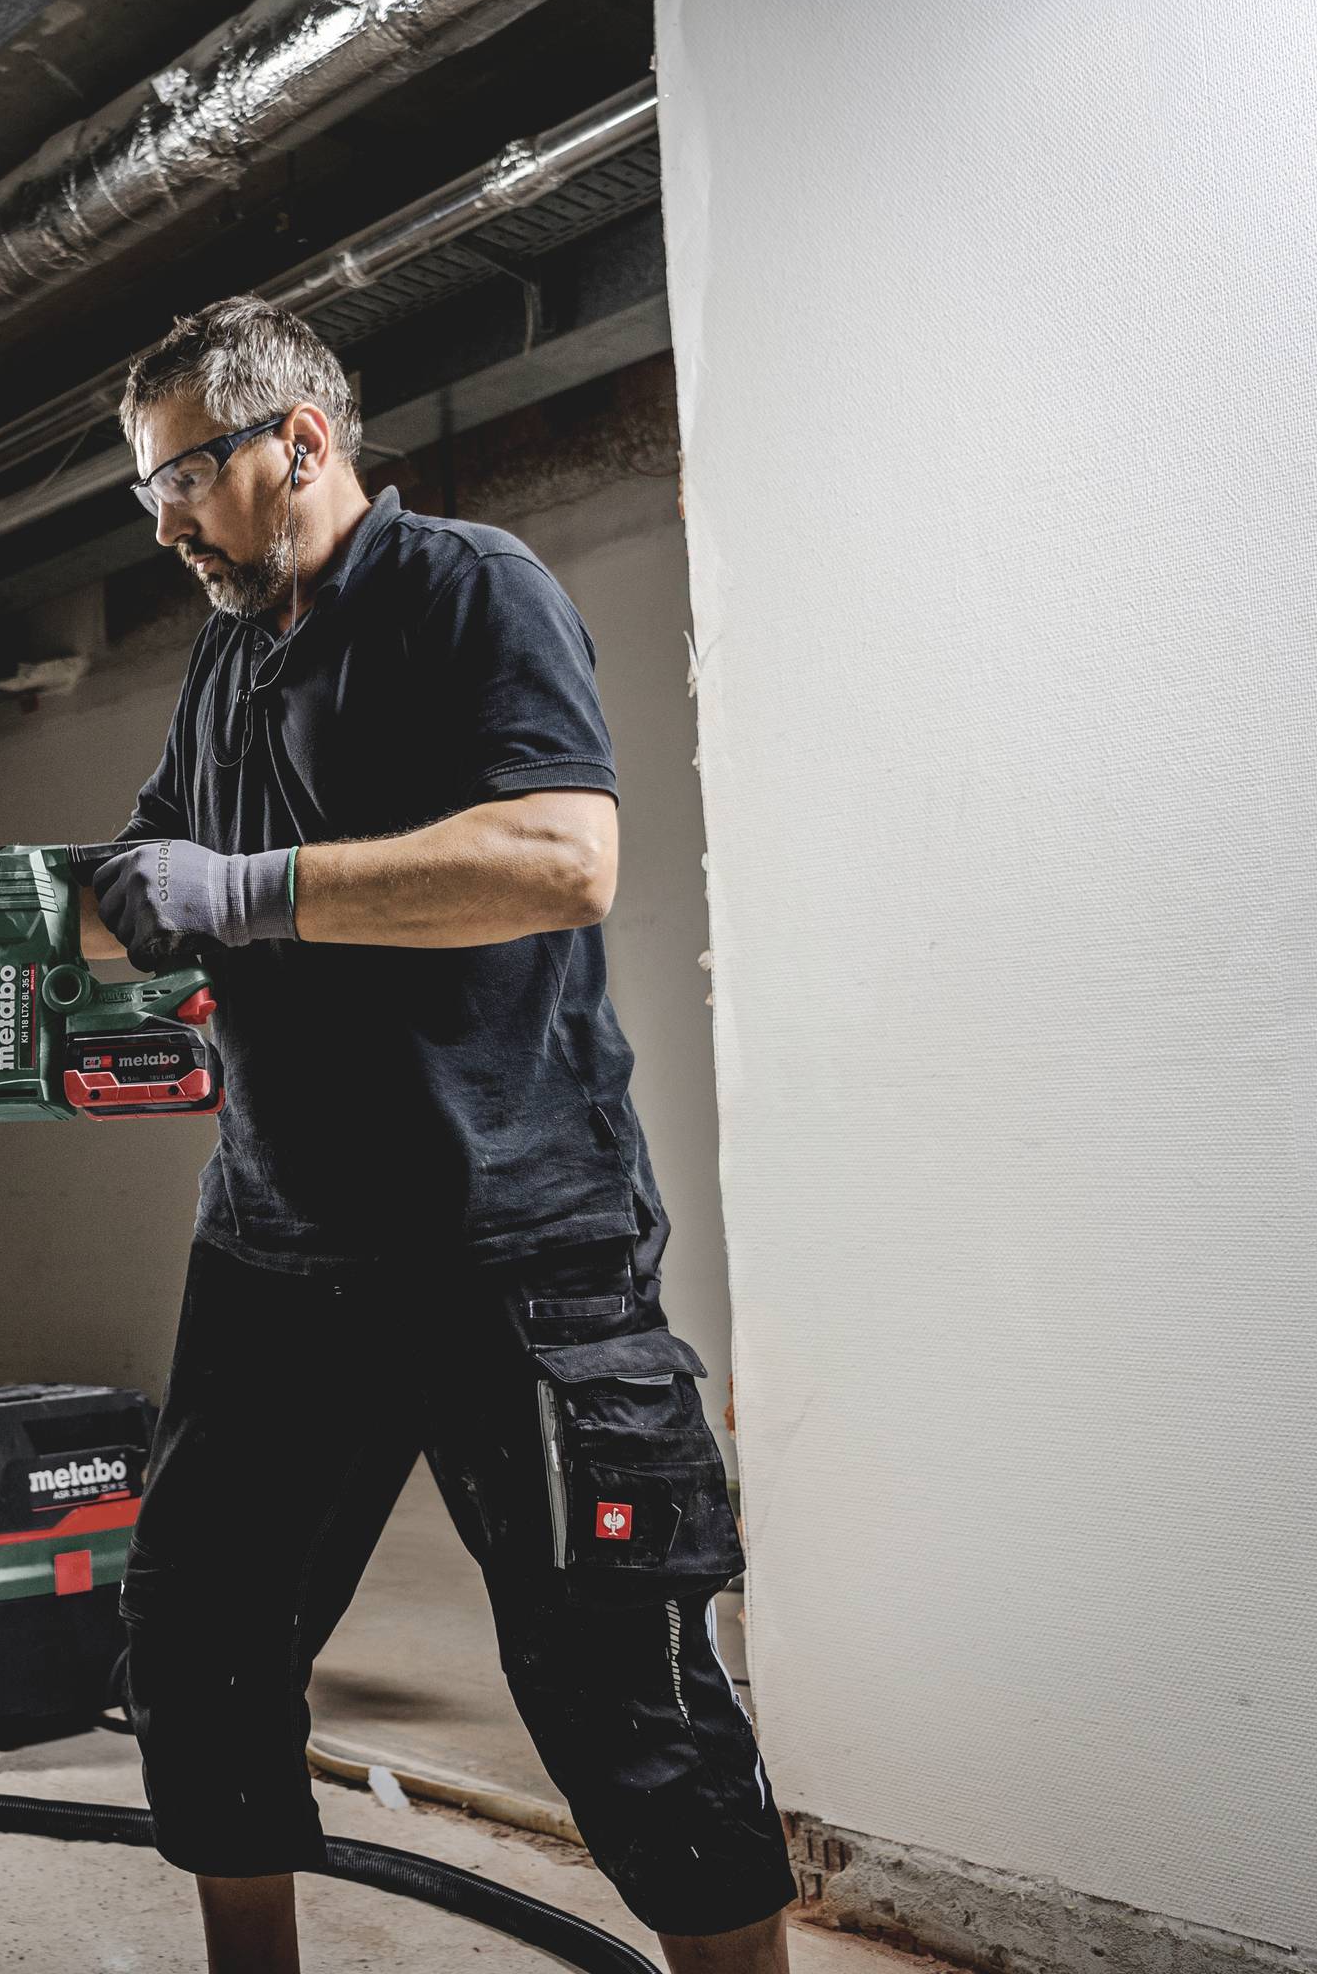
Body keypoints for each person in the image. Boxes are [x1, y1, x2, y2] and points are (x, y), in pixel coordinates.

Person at [77, 298, 797, 1974]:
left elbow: (561, 855)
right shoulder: (230, 657)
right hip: (279, 1246)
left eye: (177, 479)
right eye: (146, 493)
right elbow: (146, 895)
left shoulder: (466, 589)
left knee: (622, 1682)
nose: (163, 522)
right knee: (199, 1640)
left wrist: (246, 894)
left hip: (514, 1245)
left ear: (300, 445)